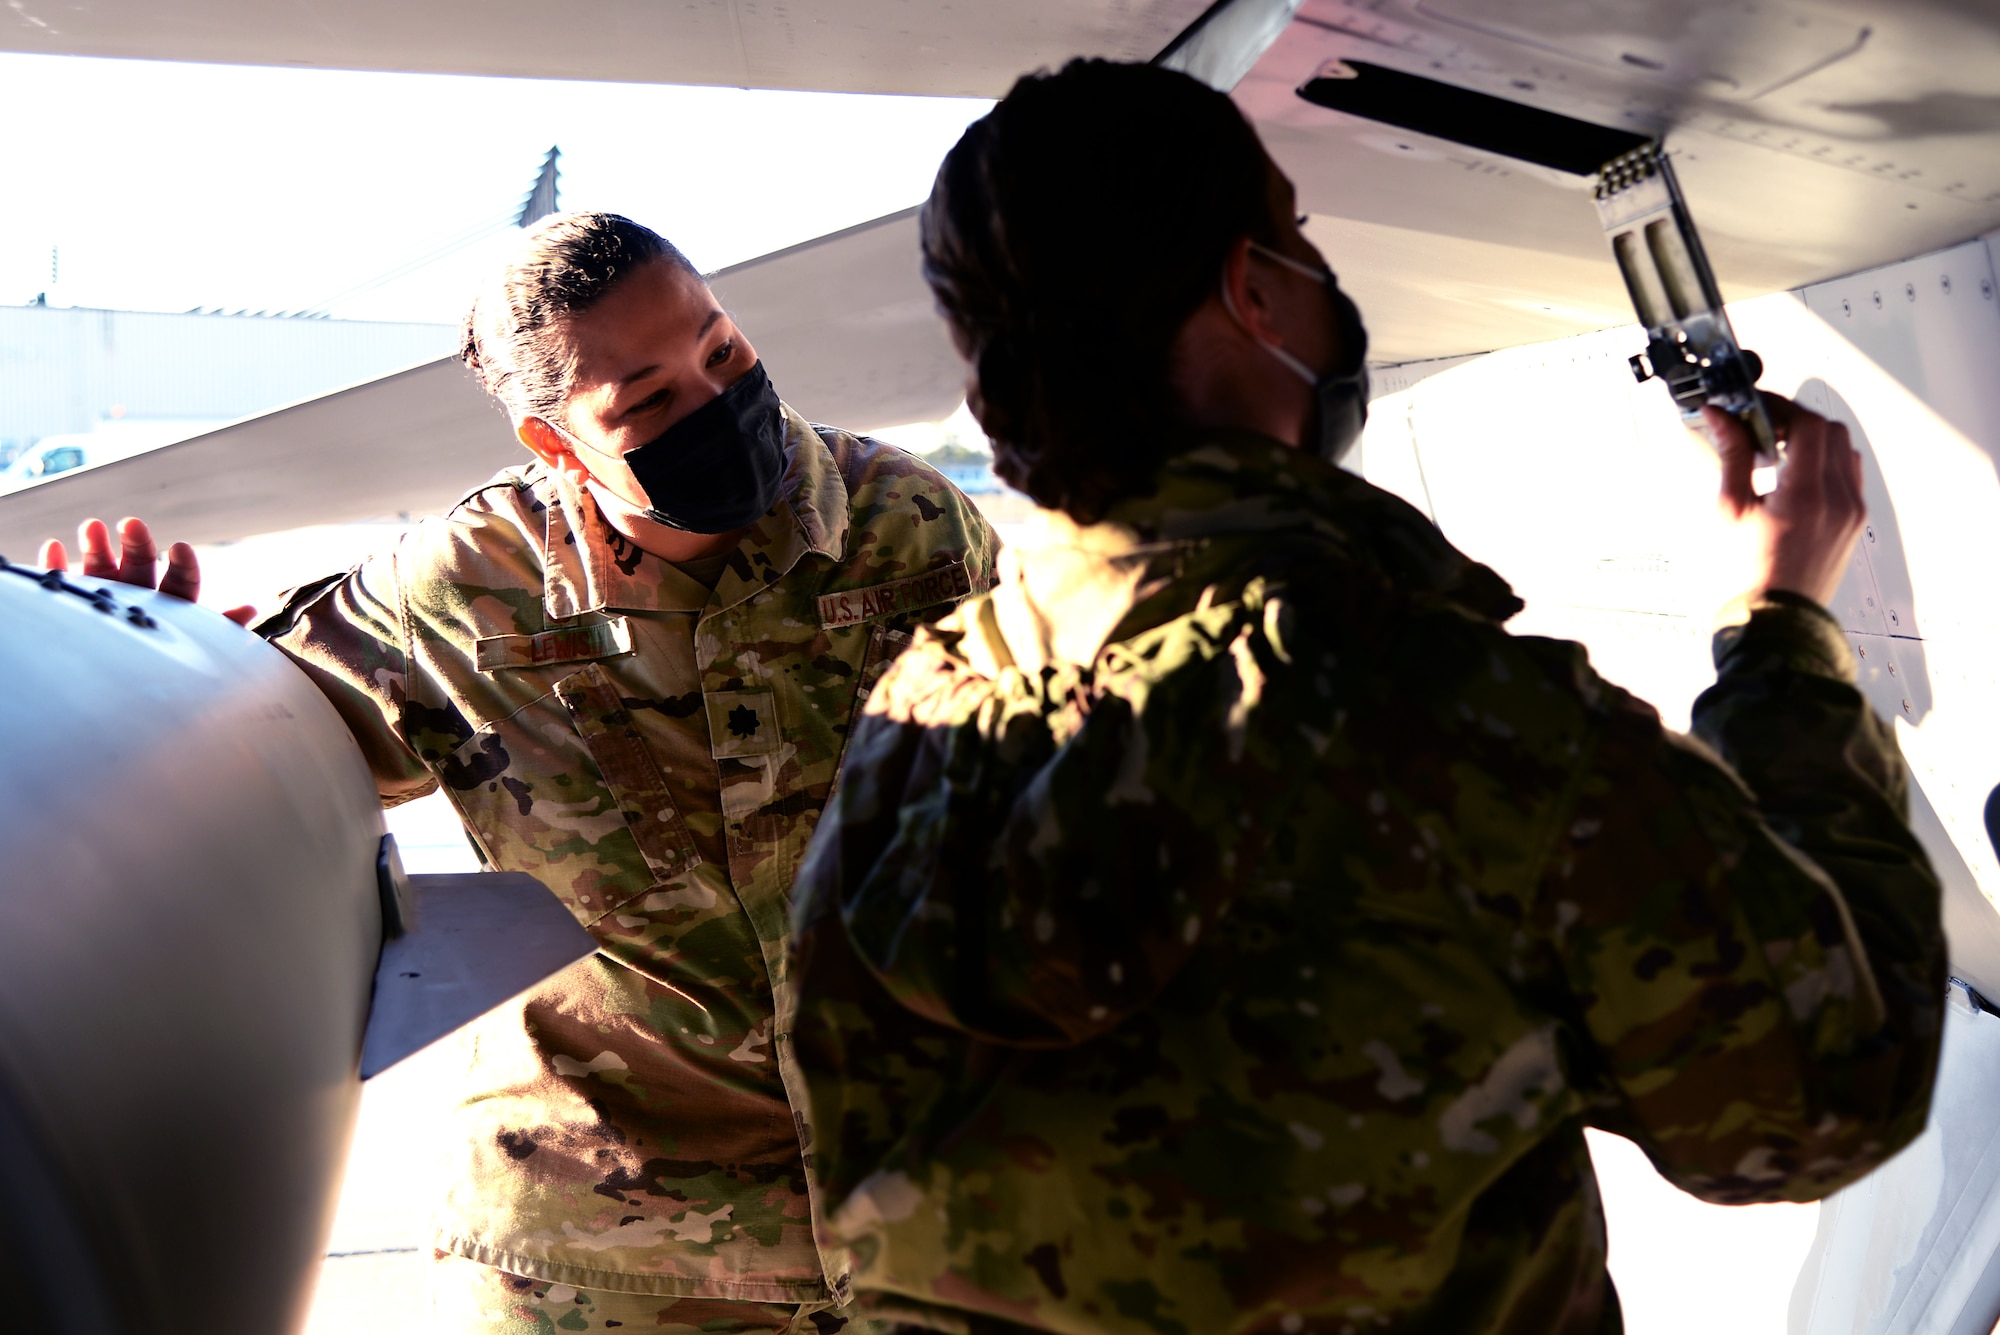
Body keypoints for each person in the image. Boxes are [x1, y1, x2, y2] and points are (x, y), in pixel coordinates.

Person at [782, 60, 1945, 1335]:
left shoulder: (912, 728)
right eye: (1295, 236)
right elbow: (1813, 1093)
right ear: (1250, 288)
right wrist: (1776, 636)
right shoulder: (1424, 701)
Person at [42, 212, 997, 1333]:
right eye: (648, 401)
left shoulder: (911, 525)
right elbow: (242, 770)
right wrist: (143, 653)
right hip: (600, 1262)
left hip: (918, 1220)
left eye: (722, 351)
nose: (712, 400)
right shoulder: (460, 593)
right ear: (553, 443)